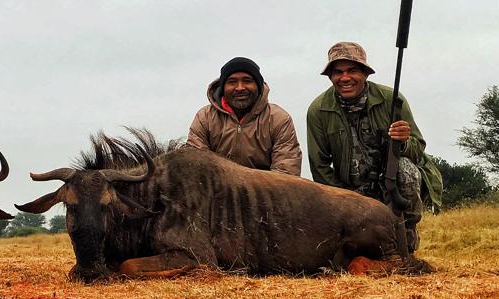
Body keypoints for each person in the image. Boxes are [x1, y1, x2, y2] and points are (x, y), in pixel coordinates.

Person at [306, 42, 442, 251]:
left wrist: (403, 141)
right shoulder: (318, 110)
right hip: (349, 190)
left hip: (388, 183)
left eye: (352, 70)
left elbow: (417, 149)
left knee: (405, 169)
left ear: (365, 73)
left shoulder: (392, 100)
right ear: (330, 77)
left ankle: (407, 235)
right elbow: (319, 166)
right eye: (338, 72)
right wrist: (345, 200)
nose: (345, 78)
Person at [187, 56, 302, 175]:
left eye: (247, 81)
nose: (240, 88)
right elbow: (195, 167)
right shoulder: (204, 118)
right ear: (223, 88)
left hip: (264, 192)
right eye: (232, 82)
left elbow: (286, 172)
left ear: (258, 86)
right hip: (217, 191)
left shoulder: (278, 119)